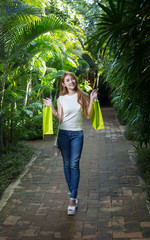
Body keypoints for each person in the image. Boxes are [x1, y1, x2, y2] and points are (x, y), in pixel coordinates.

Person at [43, 72, 98, 215]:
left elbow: (88, 115)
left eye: (72, 79)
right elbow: (59, 119)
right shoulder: (61, 99)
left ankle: (72, 198)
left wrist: (91, 100)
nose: (71, 81)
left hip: (77, 134)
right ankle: (72, 191)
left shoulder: (82, 95)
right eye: (67, 80)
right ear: (63, 84)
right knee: (67, 165)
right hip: (63, 134)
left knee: (74, 164)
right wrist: (51, 107)